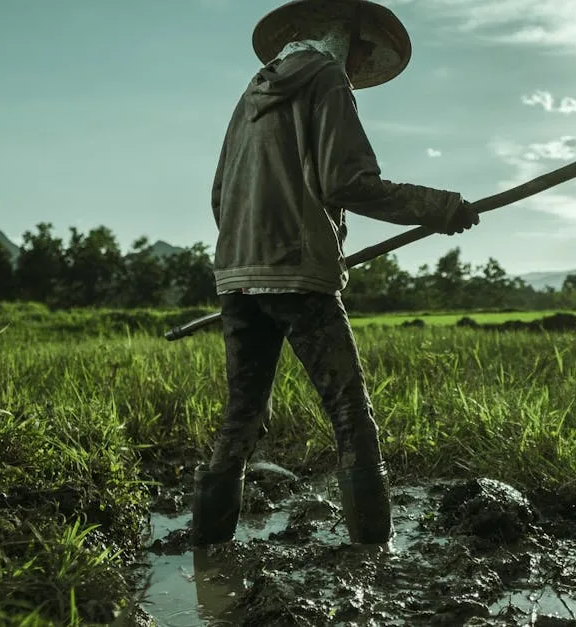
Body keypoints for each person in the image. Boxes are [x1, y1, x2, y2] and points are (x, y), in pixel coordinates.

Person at [192, 0, 478, 547]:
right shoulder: (327, 80)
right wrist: (440, 207)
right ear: (345, 38)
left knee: (241, 418)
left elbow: (219, 193)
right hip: (297, 276)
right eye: (364, 47)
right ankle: (373, 555)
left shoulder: (251, 91)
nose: (363, 58)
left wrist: (247, 256)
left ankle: (208, 555)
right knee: (351, 414)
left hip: (237, 274)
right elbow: (347, 181)